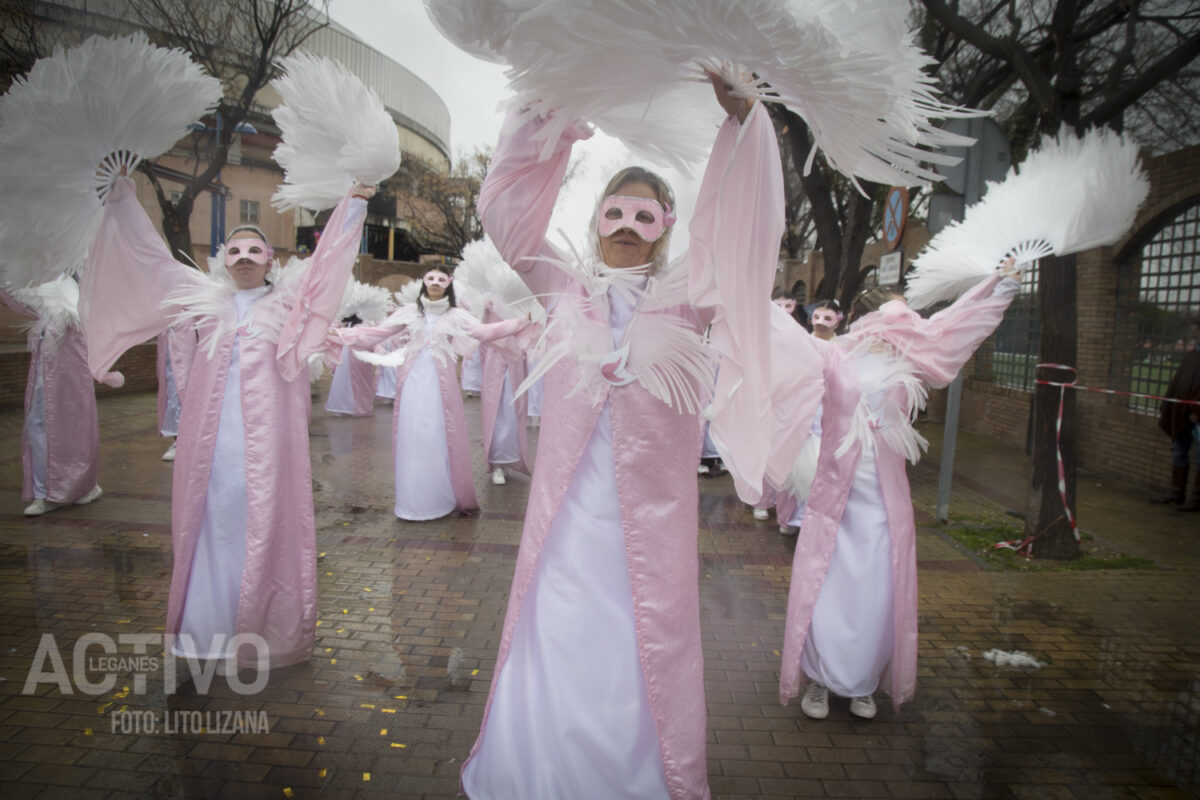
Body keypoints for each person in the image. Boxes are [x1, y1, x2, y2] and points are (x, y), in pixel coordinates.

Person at [461, 72, 783, 800]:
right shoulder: (561, 283)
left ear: (667, 226)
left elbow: (744, 237)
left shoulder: (687, 298)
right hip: (565, 524)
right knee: (560, 634)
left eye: (647, 217)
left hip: (650, 528)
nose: (628, 230)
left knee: (639, 645)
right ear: (596, 219)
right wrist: (546, 119)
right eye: (616, 213)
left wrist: (744, 127)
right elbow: (505, 215)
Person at [80, 171, 373, 670]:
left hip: (270, 442)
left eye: (254, 252)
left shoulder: (287, 304)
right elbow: (150, 261)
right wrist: (123, 199)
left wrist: (355, 204)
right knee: (213, 519)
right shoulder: (202, 300)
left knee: (260, 518)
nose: (243, 260)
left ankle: (263, 628)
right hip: (210, 442)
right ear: (221, 261)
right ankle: (206, 627)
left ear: (271, 262)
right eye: (234, 252)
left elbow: (327, 265)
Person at [780, 261, 1021, 722]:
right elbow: (783, 367)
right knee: (826, 587)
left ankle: (863, 682)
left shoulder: (912, 359)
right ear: (868, 317)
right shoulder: (835, 356)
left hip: (883, 502)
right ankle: (820, 680)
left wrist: (999, 283)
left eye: (908, 316)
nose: (908, 324)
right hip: (836, 496)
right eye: (897, 315)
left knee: (876, 591)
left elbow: (956, 327)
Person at [335, 267, 530, 520]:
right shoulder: (409, 313)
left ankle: (440, 498)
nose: (435, 283)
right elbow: (376, 333)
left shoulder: (457, 315)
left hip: (441, 387)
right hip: (411, 384)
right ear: (423, 283)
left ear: (448, 284)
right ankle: (412, 501)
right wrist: (340, 334)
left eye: (441, 279)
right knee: (412, 435)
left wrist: (520, 322)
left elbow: (485, 332)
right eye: (430, 278)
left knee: (438, 434)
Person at [1, 276, 109, 516]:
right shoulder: (47, 287)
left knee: (70, 423)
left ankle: (76, 487)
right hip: (49, 372)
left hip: (68, 373)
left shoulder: (71, 293)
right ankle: (48, 491)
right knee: (41, 423)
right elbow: (13, 293)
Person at [478, 296, 534, 485]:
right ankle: (497, 464)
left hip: (516, 364)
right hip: (495, 365)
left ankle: (507, 460)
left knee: (512, 416)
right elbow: (483, 336)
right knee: (495, 415)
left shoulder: (522, 302)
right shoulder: (490, 307)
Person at [1154, 317, 1200, 510]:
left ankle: (1197, 498)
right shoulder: (1192, 356)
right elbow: (1180, 383)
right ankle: (1176, 491)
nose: (1195, 331)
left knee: (1199, 454)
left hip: (1197, 416)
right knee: (1179, 450)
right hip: (1182, 414)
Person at [156, 323, 196, 461]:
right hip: (170, 336)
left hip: (185, 336)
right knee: (173, 393)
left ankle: (182, 441)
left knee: (182, 389)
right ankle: (179, 440)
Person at [324, 313, 376, 417]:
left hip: (358, 357)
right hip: (348, 355)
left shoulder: (365, 323)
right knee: (344, 381)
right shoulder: (347, 323)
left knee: (358, 382)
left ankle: (356, 408)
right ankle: (343, 407)